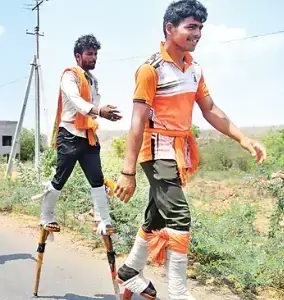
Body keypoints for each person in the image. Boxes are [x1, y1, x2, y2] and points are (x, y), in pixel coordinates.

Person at [113, 1, 267, 299]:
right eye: (190, 27)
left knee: (157, 216)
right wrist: (127, 173)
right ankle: (179, 292)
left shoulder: (195, 69)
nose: (197, 34)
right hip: (156, 148)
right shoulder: (150, 69)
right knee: (180, 215)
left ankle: (130, 270)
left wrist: (243, 139)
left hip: (179, 149)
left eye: (200, 28)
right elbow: (136, 122)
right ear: (170, 29)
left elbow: (210, 109)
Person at [37, 34, 122, 236]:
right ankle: (46, 216)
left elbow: (93, 107)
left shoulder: (93, 80)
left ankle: (103, 220)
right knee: (60, 178)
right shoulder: (70, 75)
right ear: (78, 56)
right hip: (69, 134)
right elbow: (76, 100)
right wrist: (99, 111)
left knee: (97, 178)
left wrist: (103, 113)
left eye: (95, 54)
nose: (93, 58)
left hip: (89, 135)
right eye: (89, 54)